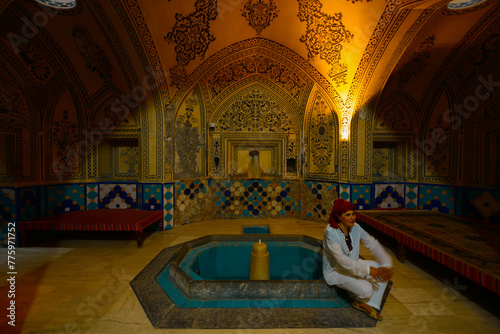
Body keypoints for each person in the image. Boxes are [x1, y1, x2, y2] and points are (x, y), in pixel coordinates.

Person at [323, 198, 394, 320]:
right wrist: (367, 270)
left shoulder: (355, 227)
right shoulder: (330, 232)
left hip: (354, 264)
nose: (352, 218)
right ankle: (362, 298)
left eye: (353, 214)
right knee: (367, 289)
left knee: (381, 269)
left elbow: (372, 243)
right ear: (339, 217)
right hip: (336, 271)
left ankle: (366, 303)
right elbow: (341, 260)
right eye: (348, 215)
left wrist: (386, 263)